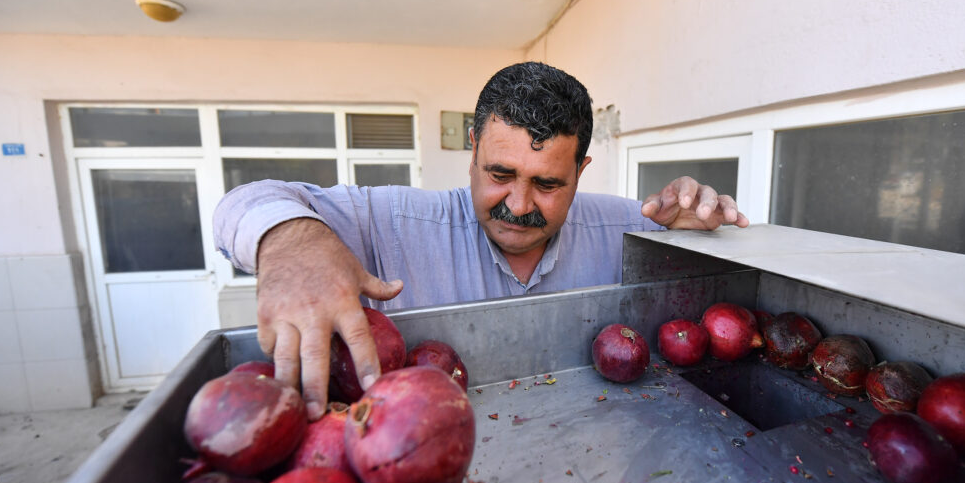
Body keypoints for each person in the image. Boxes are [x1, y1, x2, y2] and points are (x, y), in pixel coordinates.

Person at [214, 62, 748, 419]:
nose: (517, 205)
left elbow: (708, 254)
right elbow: (246, 202)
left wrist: (702, 226)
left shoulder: (629, 225)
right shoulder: (389, 220)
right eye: (499, 173)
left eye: (547, 183)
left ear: (582, 170)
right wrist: (293, 242)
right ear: (472, 148)